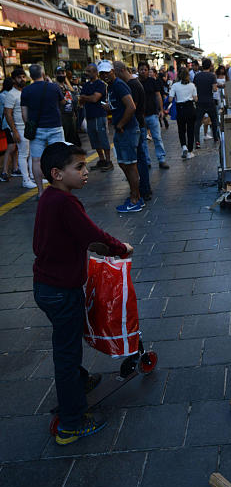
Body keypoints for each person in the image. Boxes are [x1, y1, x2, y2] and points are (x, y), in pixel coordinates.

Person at [33, 142, 132, 445]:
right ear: (57, 173)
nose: (86, 171)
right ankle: (71, 422)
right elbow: (91, 234)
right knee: (66, 352)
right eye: (79, 167)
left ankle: (79, 381)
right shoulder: (66, 203)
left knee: (67, 342)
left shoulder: (49, 197)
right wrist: (120, 247)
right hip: (61, 291)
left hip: (47, 286)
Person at [97, 60, 143, 212]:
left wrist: (120, 124)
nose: (105, 76)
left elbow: (131, 107)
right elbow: (122, 106)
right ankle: (135, 195)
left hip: (127, 130)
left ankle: (135, 199)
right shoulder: (110, 87)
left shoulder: (119, 85)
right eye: (101, 73)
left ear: (113, 71)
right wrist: (110, 108)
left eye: (107, 72)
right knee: (124, 164)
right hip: (122, 130)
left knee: (130, 165)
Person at [21, 64, 65, 198]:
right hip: (55, 127)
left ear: (30, 75)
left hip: (37, 130)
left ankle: (40, 191)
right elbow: (63, 102)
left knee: (36, 161)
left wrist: (30, 125)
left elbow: (24, 113)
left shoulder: (26, 90)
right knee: (59, 157)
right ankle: (60, 188)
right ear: (43, 73)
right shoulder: (53, 87)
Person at [113, 61, 152, 203]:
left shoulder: (131, 85)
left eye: (115, 73)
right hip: (139, 124)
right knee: (140, 159)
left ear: (121, 70)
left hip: (135, 126)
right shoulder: (135, 83)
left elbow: (131, 107)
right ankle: (144, 189)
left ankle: (142, 191)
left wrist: (121, 123)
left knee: (136, 161)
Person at [2, 67, 35, 188]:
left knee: (32, 153)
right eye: (19, 77)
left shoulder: (25, 92)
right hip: (19, 129)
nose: (22, 79)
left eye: (23, 76)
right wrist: (14, 131)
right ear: (14, 79)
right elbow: (7, 114)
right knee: (23, 154)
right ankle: (25, 180)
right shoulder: (11, 95)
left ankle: (32, 176)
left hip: (29, 127)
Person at [79, 63, 112, 171]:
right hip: (90, 115)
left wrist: (85, 97)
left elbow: (94, 99)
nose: (86, 73)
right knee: (94, 139)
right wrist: (87, 97)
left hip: (99, 115)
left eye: (89, 71)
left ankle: (108, 161)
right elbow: (81, 100)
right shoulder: (86, 85)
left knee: (103, 138)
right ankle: (101, 160)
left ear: (95, 72)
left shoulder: (100, 84)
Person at [137, 61, 169, 170]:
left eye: (145, 69)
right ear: (138, 70)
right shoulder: (136, 83)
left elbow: (158, 95)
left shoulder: (152, 81)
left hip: (152, 114)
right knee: (143, 141)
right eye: (141, 69)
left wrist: (161, 110)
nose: (143, 71)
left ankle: (161, 159)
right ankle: (146, 161)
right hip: (141, 116)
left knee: (157, 138)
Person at [168, 67, 198, 158]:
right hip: (190, 108)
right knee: (190, 130)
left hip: (180, 109)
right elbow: (196, 99)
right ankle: (190, 152)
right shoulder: (192, 85)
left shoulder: (175, 85)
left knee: (181, 129)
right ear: (188, 75)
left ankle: (183, 146)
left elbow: (170, 99)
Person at [193, 58, 219, 148]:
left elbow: (194, 89)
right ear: (210, 66)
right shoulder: (212, 76)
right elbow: (215, 89)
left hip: (200, 102)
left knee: (198, 122)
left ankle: (197, 141)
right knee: (214, 120)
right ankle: (215, 137)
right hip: (210, 101)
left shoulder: (197, 76)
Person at [0, 77, 20, 182]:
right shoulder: (5, 95)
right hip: (7, 125)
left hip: (11, 124)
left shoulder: (7, 94)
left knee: (15, 147)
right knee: (11, 146)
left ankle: (15, 168)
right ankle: (4, 171)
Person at [55, 66, 80, 146]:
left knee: (73, 140)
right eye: (59, 73)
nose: (61, 75)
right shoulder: (54, 87)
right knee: (64, 140)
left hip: (71, 116)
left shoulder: (67, 87)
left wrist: (75, 113)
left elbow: (74, 99)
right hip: (61, 117)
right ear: (55, 75)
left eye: (63, 73)